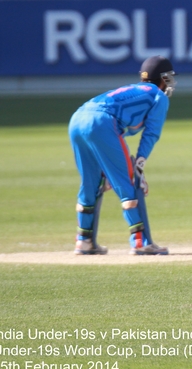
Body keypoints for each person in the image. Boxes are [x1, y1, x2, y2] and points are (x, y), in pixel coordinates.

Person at [69, 56, 175, 255]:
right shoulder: (158, 97)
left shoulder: (134, 90)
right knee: (129, 183)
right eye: (168, 77)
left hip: (77, 118)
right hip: (102, 122)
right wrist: (140, 164)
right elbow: (151, 134)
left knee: (91, 183)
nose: (170, 82)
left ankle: (84, 241)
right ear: (162, 78)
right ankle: (140, 242)